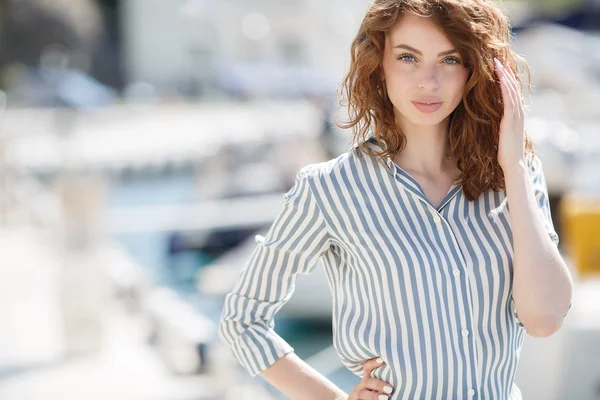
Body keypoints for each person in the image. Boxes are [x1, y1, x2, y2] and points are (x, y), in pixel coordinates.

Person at [218, 0, 574, 399]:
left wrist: (514, 168)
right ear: (379, 64)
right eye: (408, 57)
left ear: (476, 70)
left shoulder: (514, 177)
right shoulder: (330, 189)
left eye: (450, 60)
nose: (429, 81)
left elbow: (544, 319)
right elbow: (243, 321)